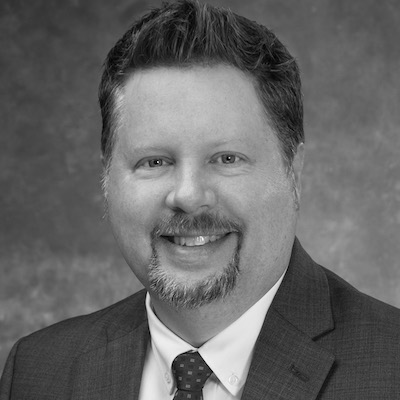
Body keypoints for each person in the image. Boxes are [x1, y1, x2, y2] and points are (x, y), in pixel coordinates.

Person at [1, 0, 399, 398]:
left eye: (226, 159)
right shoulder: (37, 372)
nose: (189, 196)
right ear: (107, 177)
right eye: (154, 161)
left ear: (293, 173)